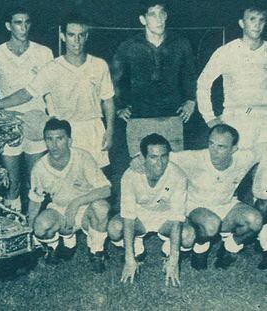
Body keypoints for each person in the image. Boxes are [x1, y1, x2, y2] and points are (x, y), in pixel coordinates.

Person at [0, 13, 115, 170]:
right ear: (63, 37)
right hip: (64, 132)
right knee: (64, 186)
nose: (76, 41)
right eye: (71, 35)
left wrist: (109, 131)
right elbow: (26, 94)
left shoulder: (99, 65)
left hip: (93, 130)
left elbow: (108, 100)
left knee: (97, 183)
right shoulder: (51, 68)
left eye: (81, 35)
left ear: (86, 36)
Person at [131, 124, 265, 270]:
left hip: (226, 206)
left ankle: (230, 248)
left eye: (221, 147)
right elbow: (163, 156)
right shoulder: (194, 158)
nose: (213, 151)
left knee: (255, 220)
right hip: (196, 207)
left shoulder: (244, 158)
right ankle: (200, 248)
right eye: (211, 144)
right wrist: (138, 158)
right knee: (211, 224)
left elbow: (262, 148)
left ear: (233, 149)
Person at [0, 7, 53, 212]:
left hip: (37, 123)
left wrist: (52, 119)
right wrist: (4, 114)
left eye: (27, 22)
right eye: (18, 22)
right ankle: (14, 220)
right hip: (9, 123)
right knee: (11, 182)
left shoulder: (44, 52)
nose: (23, 27)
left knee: (36, 180)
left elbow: (49, 91)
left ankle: (35, 227)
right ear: (8, 26)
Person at [111, 0, 196, 157]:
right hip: (139, 119)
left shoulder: (181, 43)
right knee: (140, 171)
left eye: (162, 14)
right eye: (153, 15)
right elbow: (116, 79)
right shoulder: (128, 47)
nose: (159, 19)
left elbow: (190, 75)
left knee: (174, 168)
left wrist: (191, 100)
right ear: (143, 19)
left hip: (172, 119)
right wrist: (120, 106)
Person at [107, 134, 193, 286]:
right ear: (143, 157)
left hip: (165, 217)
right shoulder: (130, 176)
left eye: (163, 156)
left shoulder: (178, 176)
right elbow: (128, 217)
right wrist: (129, 259)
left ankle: (167, 249)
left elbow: (176, 219)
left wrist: (174, 259)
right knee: (114, 228)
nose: (160, 163)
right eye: (153, 157)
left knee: (188, 235)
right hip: (139, 216)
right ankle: (136, 245)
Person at [29, 119, 111, 273]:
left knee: (102, 207)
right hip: (60, 211)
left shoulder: (82, 157)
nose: (54, 145)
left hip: (86, 210)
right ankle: (57, 245)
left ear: (69, 140)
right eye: (49, 139)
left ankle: (96, 251)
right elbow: (34, 201)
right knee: (40, 226)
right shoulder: (39, 167)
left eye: (59, 138)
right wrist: (29, 232)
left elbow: (106, 189)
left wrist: (76, 204)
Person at [197, 4, 267, 149]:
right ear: (242, 23)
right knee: (238, 168)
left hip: (264, 120)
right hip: (237, 119)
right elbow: (203, 84)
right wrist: (210, 119)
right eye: (252, 19)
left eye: (261, 20)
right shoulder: (226, 52)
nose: (257, 24)